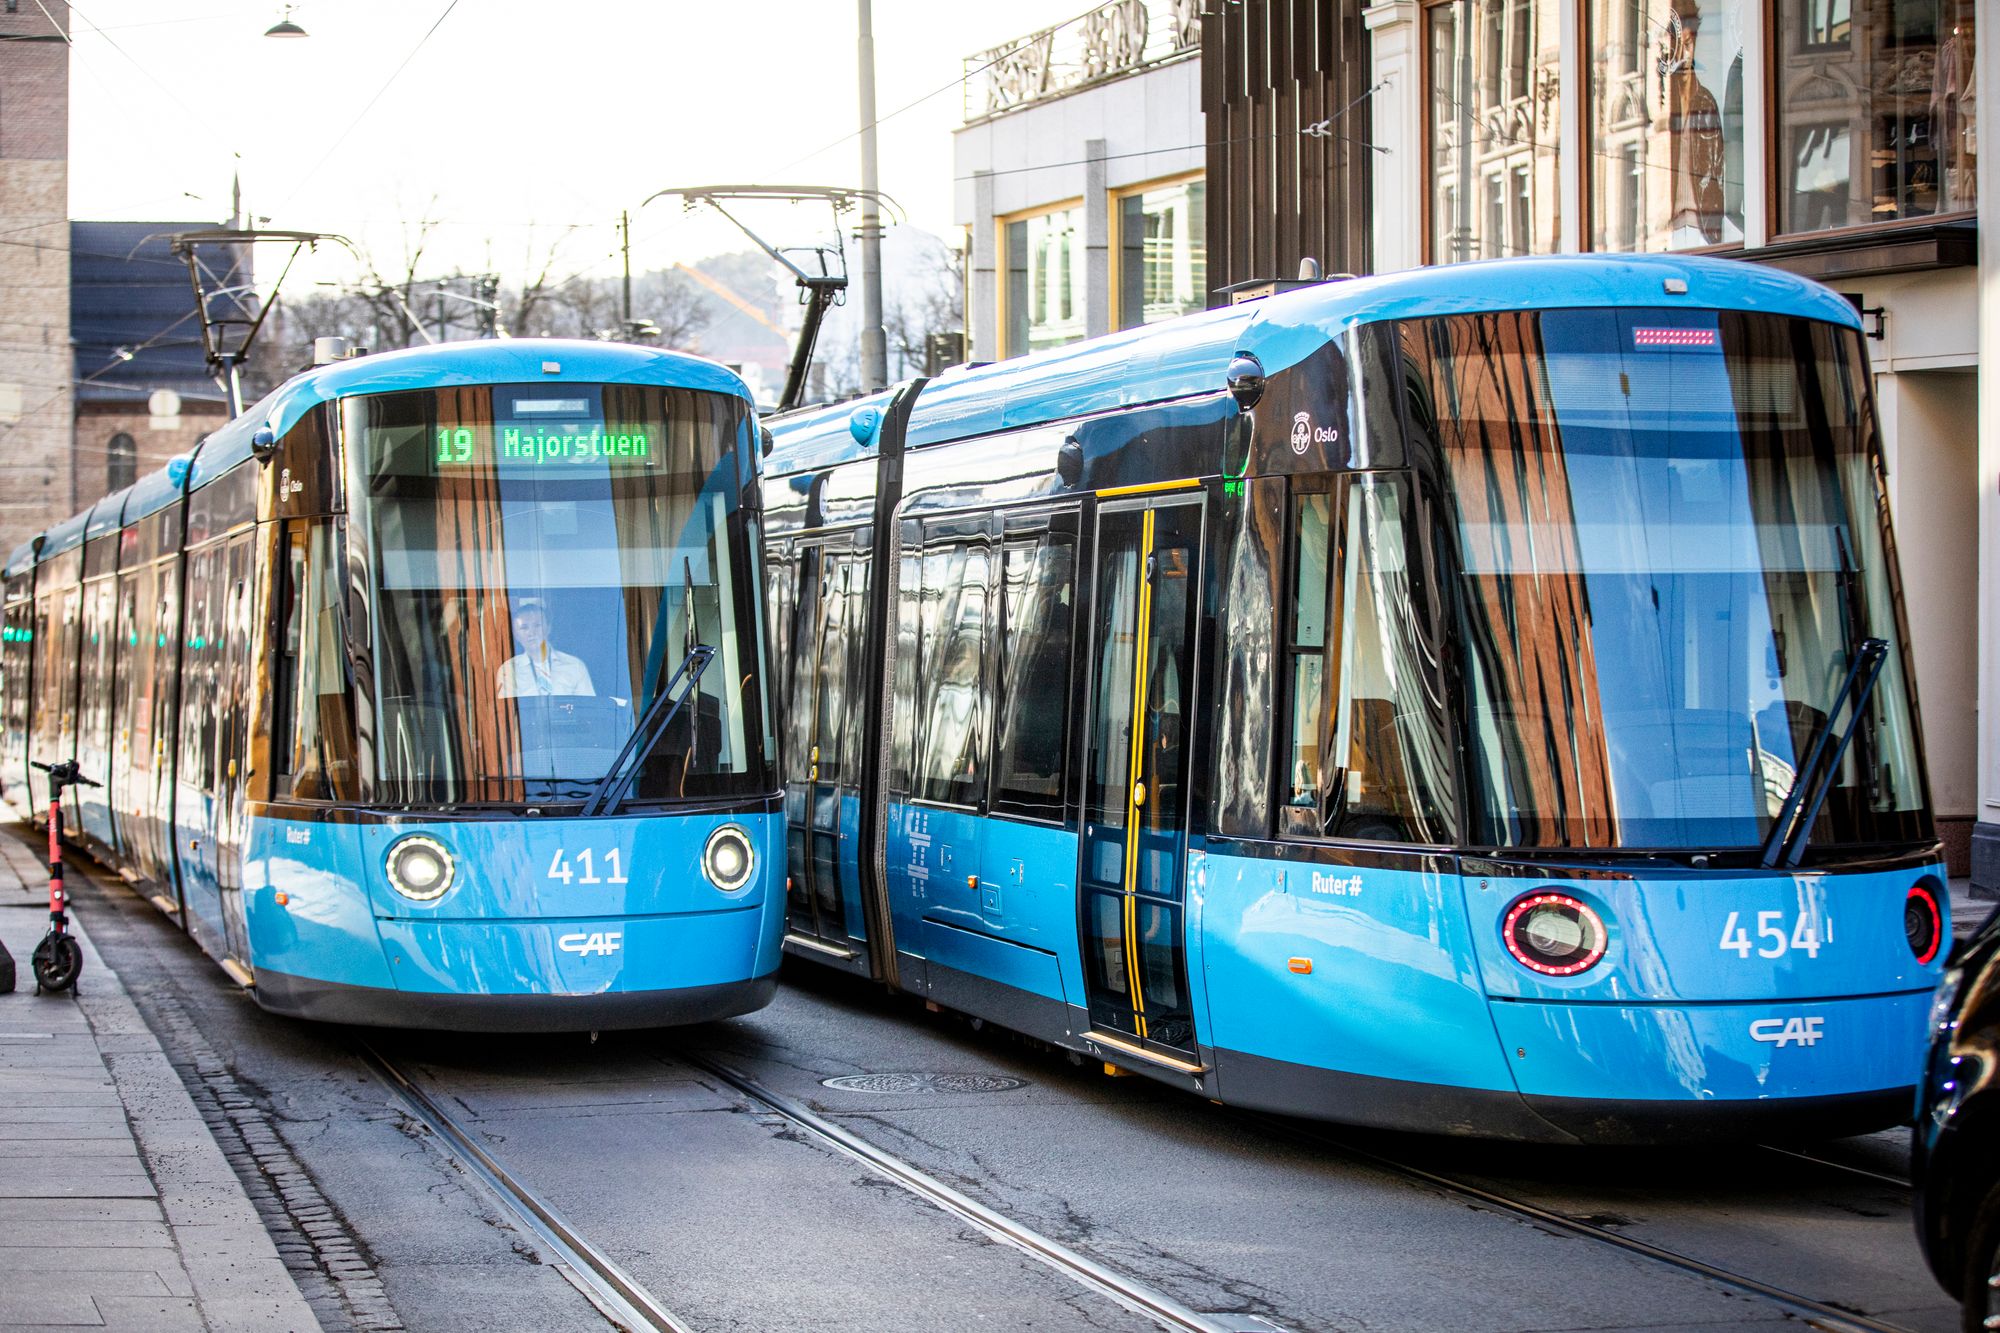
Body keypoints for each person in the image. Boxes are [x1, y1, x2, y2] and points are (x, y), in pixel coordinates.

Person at [496, 599, 595, 698]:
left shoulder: (575, 666)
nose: (531, 633)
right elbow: (507, 711)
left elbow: (588, 709)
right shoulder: (509, 670)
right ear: (516, 635)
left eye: (537, 625)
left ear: (548, 628)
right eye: (524, 628)